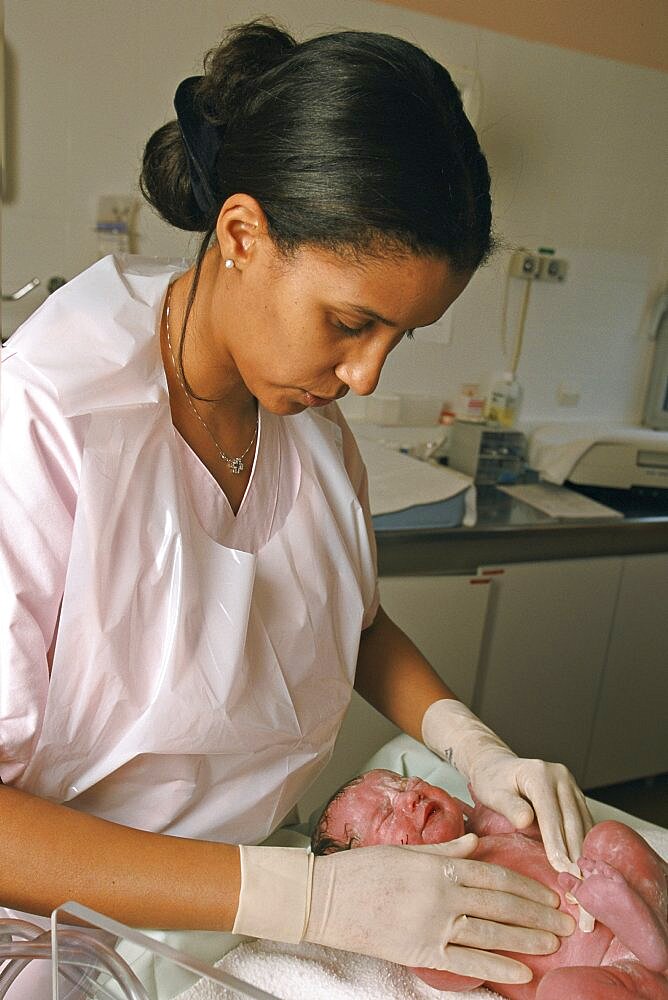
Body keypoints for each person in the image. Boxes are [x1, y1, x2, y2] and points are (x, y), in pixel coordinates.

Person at [0, 18, 591, 999]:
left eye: (398, 338)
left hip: (235, 925)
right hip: (57, 942)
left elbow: (335, 613)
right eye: (349, 323)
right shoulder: (44, 425)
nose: (363, 374)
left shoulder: (308, 425)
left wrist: (473, 747)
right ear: (241, 234)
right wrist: (303, 899)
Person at [312, 769, 668, 999]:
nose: (409, 797)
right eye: (387, 814)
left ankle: (650, 932)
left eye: (405, 782)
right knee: (560, 991)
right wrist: (400, 935)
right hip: (605, 973)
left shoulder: (491, 832)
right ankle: (649, 954)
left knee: (608, 838)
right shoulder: (426, 929)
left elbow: (539, 831)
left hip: (637, 916)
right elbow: (450, 971)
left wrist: (503, 811)